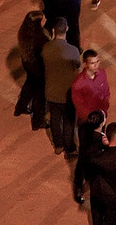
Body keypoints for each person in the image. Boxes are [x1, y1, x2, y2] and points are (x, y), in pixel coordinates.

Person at [42, 18, 82, 153]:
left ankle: (58, 145)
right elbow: (77, 70)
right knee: (68, 121)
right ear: (67, 29)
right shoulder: (73, 51)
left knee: (54, 119)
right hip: (67, 93)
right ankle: (69, 146)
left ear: (53, 30)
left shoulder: (46, 48)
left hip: (51, 91)